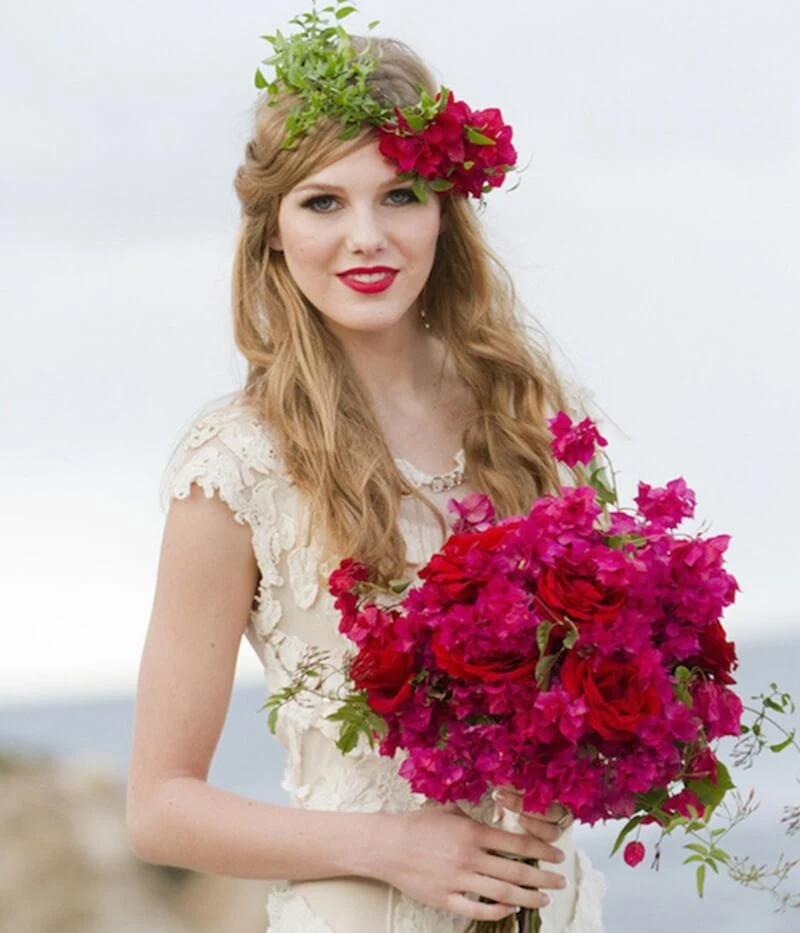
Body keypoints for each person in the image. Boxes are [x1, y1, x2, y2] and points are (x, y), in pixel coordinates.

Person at [126, 6, 605, 932]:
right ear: (272, 231)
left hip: (553, 910)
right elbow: (159, 807)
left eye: (399, 195)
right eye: (323, 202)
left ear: (442, 212)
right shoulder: (235, 466)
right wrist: (392, 846)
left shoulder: (533, 418)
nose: (366, 238)